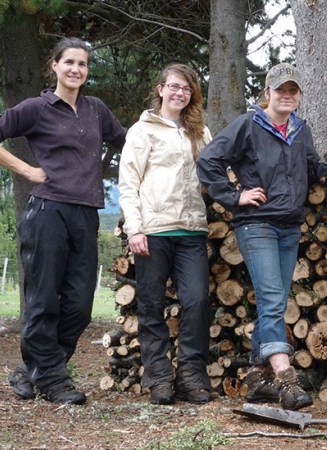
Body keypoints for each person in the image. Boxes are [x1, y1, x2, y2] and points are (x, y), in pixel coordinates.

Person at [0, 37, 127, 405]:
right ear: (55, 66)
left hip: (86, 212)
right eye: (69, 62)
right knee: (44, 299)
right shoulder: (37, 107)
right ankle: (54, 381)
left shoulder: (95, 110)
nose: (76, 69)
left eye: (83, 64)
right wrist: (25, 169)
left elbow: (129, 141)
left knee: (79, 304)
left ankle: (33, 370)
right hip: (47, 211)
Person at [196, 63, 327, 411]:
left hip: (289, 226)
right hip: (257, 225)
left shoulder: (300, 129)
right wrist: (235, 196)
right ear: (267, 93)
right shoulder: (249, 126)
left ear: (298, 95)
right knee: (271, 301)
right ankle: (287, 380)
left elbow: (311, 169)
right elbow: (208, 161)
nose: (286, 95)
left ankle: (256, 379)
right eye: (280, 89)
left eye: (293, 90)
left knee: (276, 304)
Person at [118, 64, 213, 405]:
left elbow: (212, 174)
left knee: (197, 301)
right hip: (154, 231)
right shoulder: (142, 131)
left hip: (191, 231)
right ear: (161, 89)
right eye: (174, 87)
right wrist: (135, 228)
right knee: (151, 306)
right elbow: (128, 184)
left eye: (186, 89)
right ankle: (159, 378)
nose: (179, 93)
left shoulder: (199, 131)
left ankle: (191, 376)